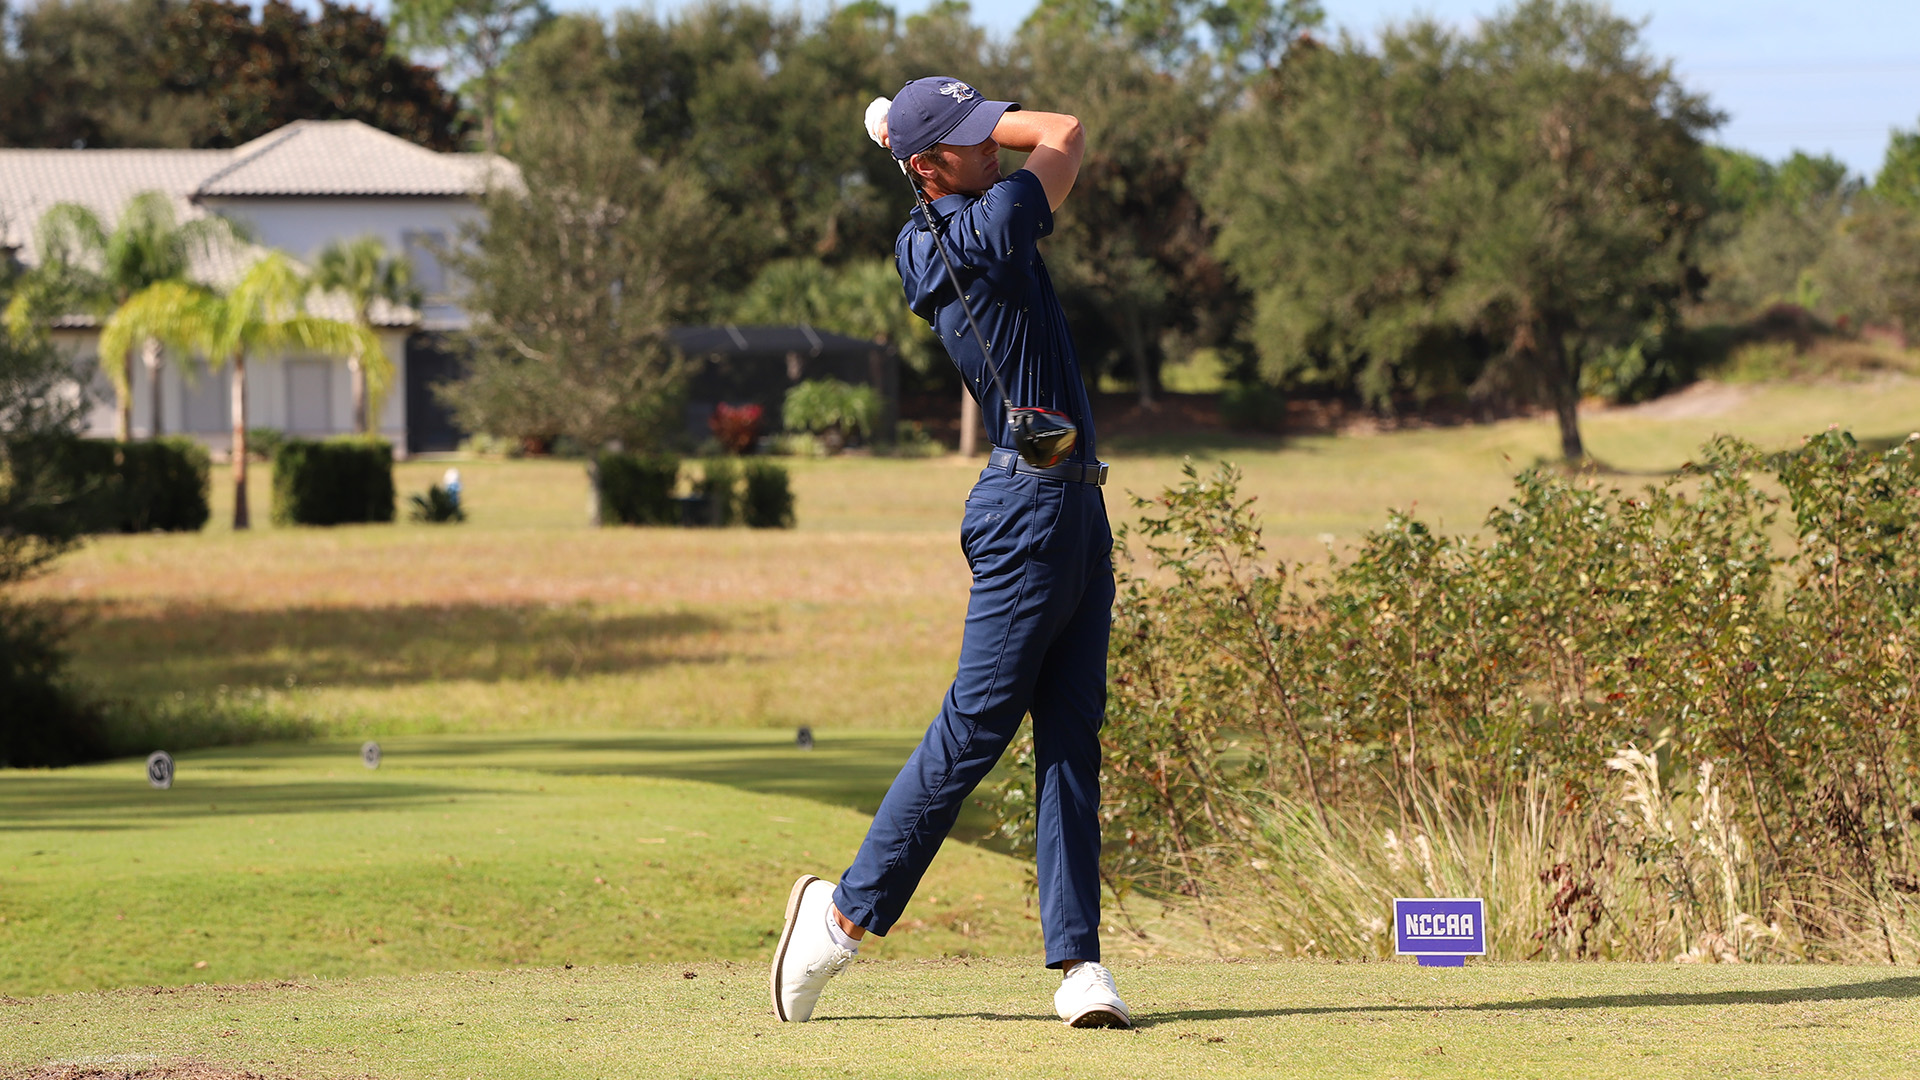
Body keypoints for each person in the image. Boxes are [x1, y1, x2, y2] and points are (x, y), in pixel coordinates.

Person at [770, 76, 1129, 1029]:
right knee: (974, 730)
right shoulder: (981, 226)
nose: (998, 148)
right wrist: (931, 127)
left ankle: (1079, 966)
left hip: (1072, 505)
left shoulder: (950, 216)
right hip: (1030, 507)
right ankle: (839, 919)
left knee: (1069, 740)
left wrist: (917, 128)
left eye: (989, 132)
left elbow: (1003, 148)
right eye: (974, 139)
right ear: (929, 168)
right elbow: (1066, 127)